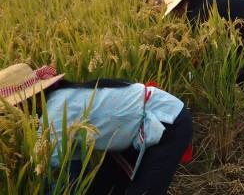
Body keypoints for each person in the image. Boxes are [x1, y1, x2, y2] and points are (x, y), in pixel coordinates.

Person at [0, 63, 193, 195]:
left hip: (166, 120)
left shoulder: (54, 116)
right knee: (103, 188)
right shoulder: (58, 99)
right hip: (131, 131)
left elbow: (53, 176)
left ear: (25, 102)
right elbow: (73, 170)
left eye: (10, 108)